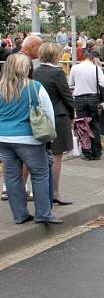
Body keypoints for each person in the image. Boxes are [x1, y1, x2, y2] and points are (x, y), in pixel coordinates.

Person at [0, 54, 62, 224]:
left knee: (12, 177)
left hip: (4, 139)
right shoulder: (35, 87)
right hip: (29, 139)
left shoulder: (1, 87)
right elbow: (49, 113)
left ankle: (20, 215)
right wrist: (50, 137)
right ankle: (43, 213)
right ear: (25, 68)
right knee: (40, 174)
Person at [32, 43, 76, 206]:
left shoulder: (35, 72)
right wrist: (73, 115)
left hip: (39, 118)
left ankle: (41, 192)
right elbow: (67, 96)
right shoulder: (57, 72)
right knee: (56, 156)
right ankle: (54, 192)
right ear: (56, 56)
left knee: (40, 156)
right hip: (58, 117)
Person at [68, 50, 104, 161]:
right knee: (95, 124)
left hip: (79, 99)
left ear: (82, 58)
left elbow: (71, 83)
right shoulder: (96, 68)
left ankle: (87, 153)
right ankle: (97, 152)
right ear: (93, 59)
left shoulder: (75, 68)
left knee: (82, 126)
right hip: (93, 98)